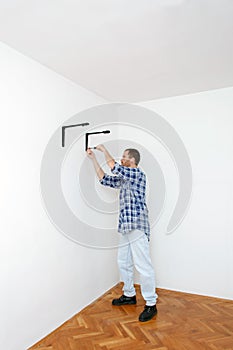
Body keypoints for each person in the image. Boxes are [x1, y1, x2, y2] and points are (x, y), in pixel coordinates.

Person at [86, 144, 158, 322]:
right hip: (125, 226)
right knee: (123, 262)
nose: (121, 159)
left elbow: (114, 166)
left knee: (143, 265)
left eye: (124, 156)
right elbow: (105, 179)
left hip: (137, 225)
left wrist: (103, 150)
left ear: (132, 160)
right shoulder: (125, 178)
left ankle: (151, 304)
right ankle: (129, 294)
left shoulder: (137, 174)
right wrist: (93, 159)